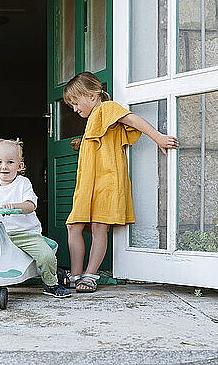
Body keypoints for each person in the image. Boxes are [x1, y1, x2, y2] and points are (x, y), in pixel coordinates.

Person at [63, 72, 179, 293]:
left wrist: (159, 137)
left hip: (107, 181)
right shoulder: (94, 120)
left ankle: (90, 275)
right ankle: (75, 275)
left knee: (99, 227)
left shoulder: (106, 109)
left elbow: (133, 120)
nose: (75, 109)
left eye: (76, 103)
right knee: (73, 225)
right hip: (89, 183)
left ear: (91, 96)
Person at [0, 138, 71, 298]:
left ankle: (51, 283)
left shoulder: (23, 184)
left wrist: (16, 206)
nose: (4, 167)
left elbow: (30, 205)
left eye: (10, 162)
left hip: (26, 234)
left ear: (20, 166)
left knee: (46, 255)